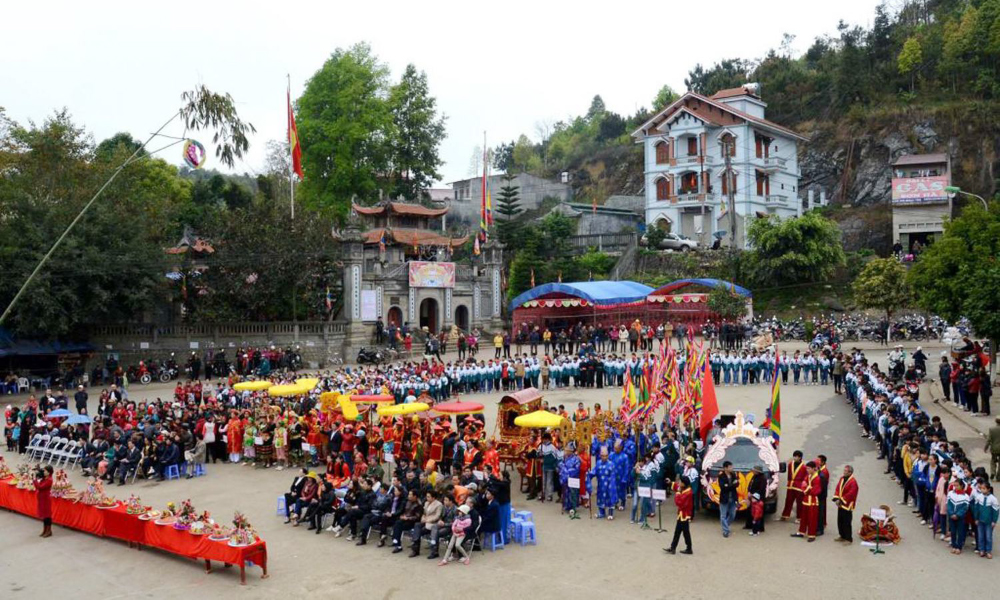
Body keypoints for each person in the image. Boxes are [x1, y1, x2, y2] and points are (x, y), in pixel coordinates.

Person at [791, 461, 821, 542]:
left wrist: (806, 488)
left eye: (808, 468)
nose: (807, 470)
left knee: (812, 519)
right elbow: (803, 484)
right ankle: (801, 532)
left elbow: (815, 491)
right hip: (806, 500)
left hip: (813, 502)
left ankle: (812, 535)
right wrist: (807, 487)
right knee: (803, 517)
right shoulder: (808, 476)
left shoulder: (817, 478)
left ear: (813, 468)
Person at [663, 478, 693, 555]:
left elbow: (679, 502)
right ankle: (674, 548)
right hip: (682, 515)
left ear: (684, 484)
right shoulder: (685, 489)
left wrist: (678, 493)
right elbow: (677, 487)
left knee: (684, 533)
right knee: (680, 532)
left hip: (684, 515)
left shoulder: (688, 493)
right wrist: (670, 483)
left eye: (680, 482)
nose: (679, 483)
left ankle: (687, 548)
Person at [831, 464, 858, 543]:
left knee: (847, 522)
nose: (844, 472)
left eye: (846, 471)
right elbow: (837, 488)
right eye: (844, 470)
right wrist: (836, 498)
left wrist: (841, 500)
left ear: (850, 473)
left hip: (847, 505)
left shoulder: (853, 482)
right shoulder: (842, 479)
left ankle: (848, 538)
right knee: (840, 521)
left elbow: (851, 494)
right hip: (840, 504)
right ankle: (842, 535)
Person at [778, 450, 806, 521]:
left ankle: (799, 517)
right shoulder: (790, 464)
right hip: (790, 485)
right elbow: (789, 475)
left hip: (799, 487)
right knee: (788, 501)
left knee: (799, 503)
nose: (794, 458)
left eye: (796, 456)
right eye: (794, 456)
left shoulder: (804, 467)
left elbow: (805, 478)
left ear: (800, 458)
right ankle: (785, 515)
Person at [717, 461, 738, 538]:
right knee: (723, 515)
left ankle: (726, 525)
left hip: (733, 497)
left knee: (732, 514)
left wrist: (729, 485)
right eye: (730, 467)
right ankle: (726, 530)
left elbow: (737, 484)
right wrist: (732, 485)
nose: (732, 468)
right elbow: (723, 487)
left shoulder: (733, 474)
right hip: (724, 498)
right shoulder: (721, 476)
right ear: (725, 468)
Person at [35, 465, 54, 538]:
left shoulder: (49, 480)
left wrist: (34, 480)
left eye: (45, 471)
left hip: (46, 499)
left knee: (47, 516)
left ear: (49, 472)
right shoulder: (45, 478)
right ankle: (45, 530)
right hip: (42, 498)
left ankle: (49, 531)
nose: (44, 472)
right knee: (44, 515)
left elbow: (40, 487)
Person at [986, 417, 1000, 482]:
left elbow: (989, 440)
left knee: (993, 460)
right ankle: (998, 476)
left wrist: (986, 447)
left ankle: (993, 472)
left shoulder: (992, 429)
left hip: (994, 448)